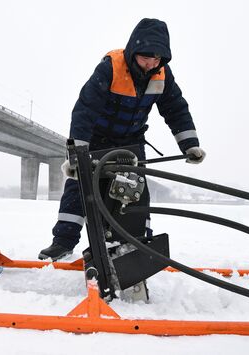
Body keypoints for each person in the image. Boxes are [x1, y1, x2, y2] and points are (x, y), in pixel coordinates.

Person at [39, 18, 206, 260]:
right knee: (80, 188)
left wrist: (189, 144)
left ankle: (129, 244)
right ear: (134, 51)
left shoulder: (162, 75)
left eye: (157, 59)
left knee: (135, 192)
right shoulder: (110, 68)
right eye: (147, 57)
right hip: (97, 138)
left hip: (131, 142)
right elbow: (85, 111)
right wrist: (77, 155)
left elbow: (176, 109)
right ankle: (62, 242)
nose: (151, 64)